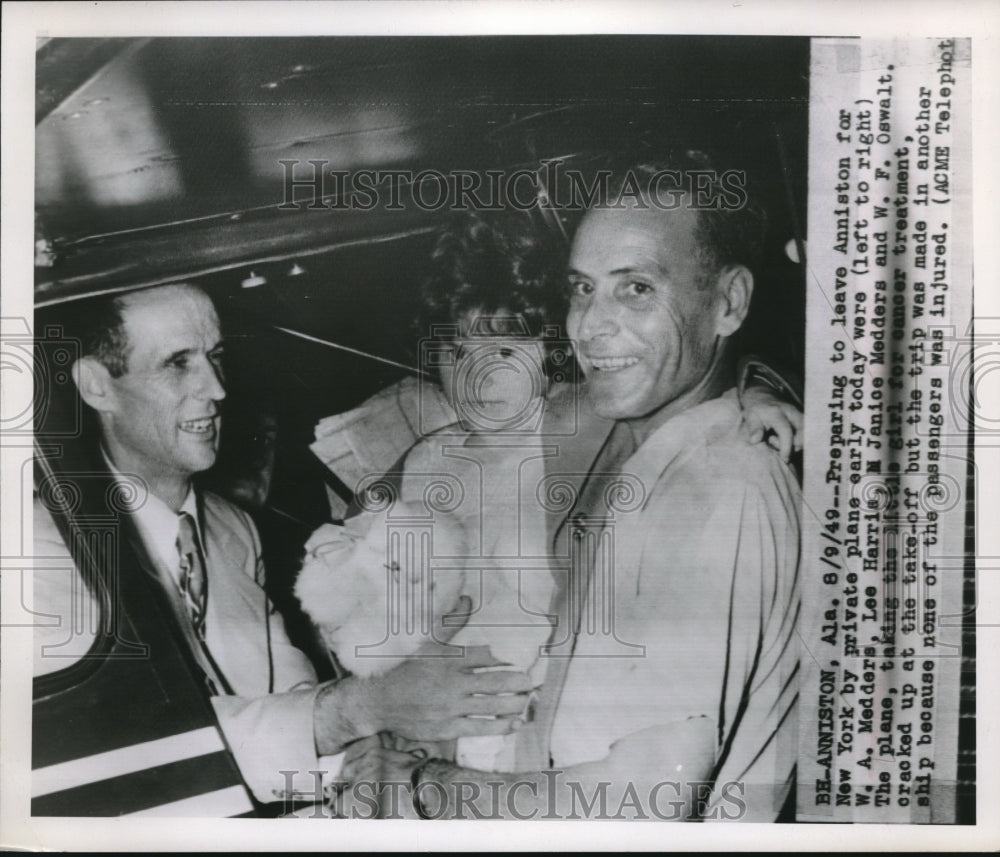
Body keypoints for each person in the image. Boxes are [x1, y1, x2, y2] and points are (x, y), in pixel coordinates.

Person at [340, 157, 801, 822]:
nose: (591, 325)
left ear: (729, 301)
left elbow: (645, 801)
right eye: (582, 290)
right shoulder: (634, 435)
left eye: (636, 288)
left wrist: (421, 784)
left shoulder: (720, 480)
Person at [31, 282, 533, 812]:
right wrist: (355, 711)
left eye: (215, 357)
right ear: (96, 386)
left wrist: (357, 761)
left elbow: (282, 689)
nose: (218, 389)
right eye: (178, 363)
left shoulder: (231, 529)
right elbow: (111, 747)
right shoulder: (39, 551)